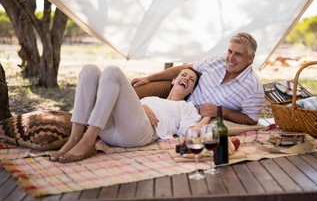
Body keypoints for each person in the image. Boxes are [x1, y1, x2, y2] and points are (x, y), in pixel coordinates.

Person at [50, 65, 209, 163]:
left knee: (113, 71)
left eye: (191, 80)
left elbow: (191, 132)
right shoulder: (151, 98)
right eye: (183, 75)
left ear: (191, 89)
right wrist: (143, 106)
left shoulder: (186, 107)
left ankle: (87, 141)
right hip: (109, 131)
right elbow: (125, 106)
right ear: (174, 80)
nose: (186, 79)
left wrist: (208, 116)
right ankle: (76, 138)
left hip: (139, 132)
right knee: (89, 70)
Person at [132, 32, 265, 125]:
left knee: (138, 114)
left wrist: (221, 111)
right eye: (230, 51)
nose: (230, 58)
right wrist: (149, 78)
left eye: (238, 54)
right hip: (178, 92)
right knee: (132, 90)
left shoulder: (253, 87)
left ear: (250, 58)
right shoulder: (217, 59)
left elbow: (251, 119)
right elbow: (184, 69)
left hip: (188, 114)